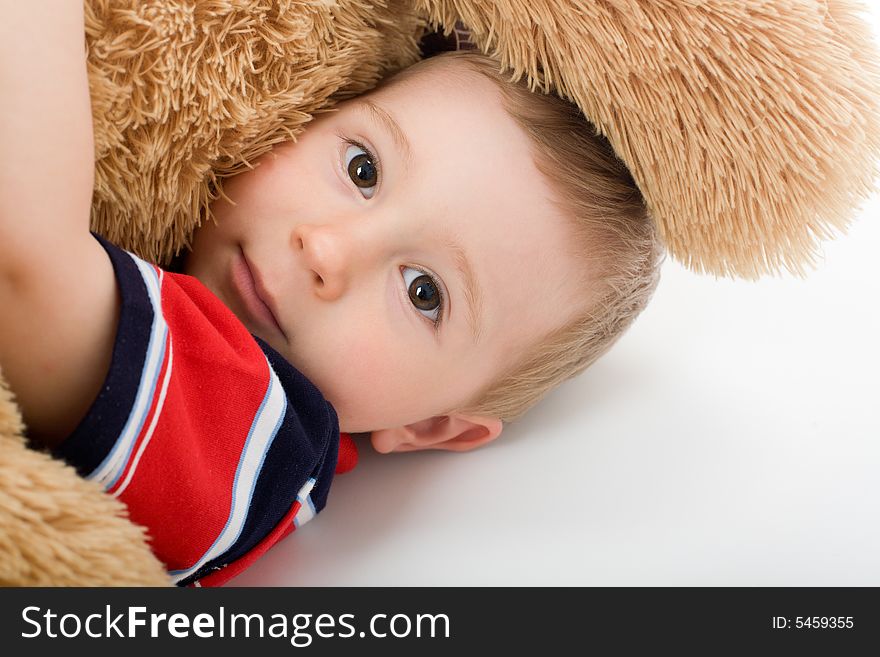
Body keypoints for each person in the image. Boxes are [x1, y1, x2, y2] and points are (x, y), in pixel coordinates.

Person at [0, 3, 661, 585]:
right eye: (362, 168)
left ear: (433, 425)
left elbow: (23, 268)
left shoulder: (262, 443)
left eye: (423, 291)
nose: (329, 249)